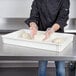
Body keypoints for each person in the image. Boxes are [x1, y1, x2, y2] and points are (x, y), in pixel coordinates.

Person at [25, 0, 70, 76]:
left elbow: (62, 19)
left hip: (58, 37)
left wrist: (52, 29)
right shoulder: (38, 1)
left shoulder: (64, 1)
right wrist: (33, 26)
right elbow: (33, 17)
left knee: (60, 69)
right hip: (43, 37)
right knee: (42, 68)